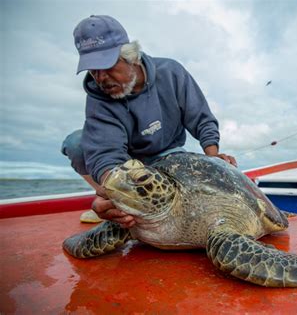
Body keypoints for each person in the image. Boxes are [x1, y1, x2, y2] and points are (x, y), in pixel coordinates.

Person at [62, 15, 236, 227]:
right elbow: (105, 153)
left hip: (169, 154)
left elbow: (201, 117)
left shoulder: (171, 72)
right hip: (125, 164)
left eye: (106, 66)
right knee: (76, 143)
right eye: (93, 69)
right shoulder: (98, 96)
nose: (100, 78)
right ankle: (110, 204)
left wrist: (214, 158)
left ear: (131, 57)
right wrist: (115, 193)